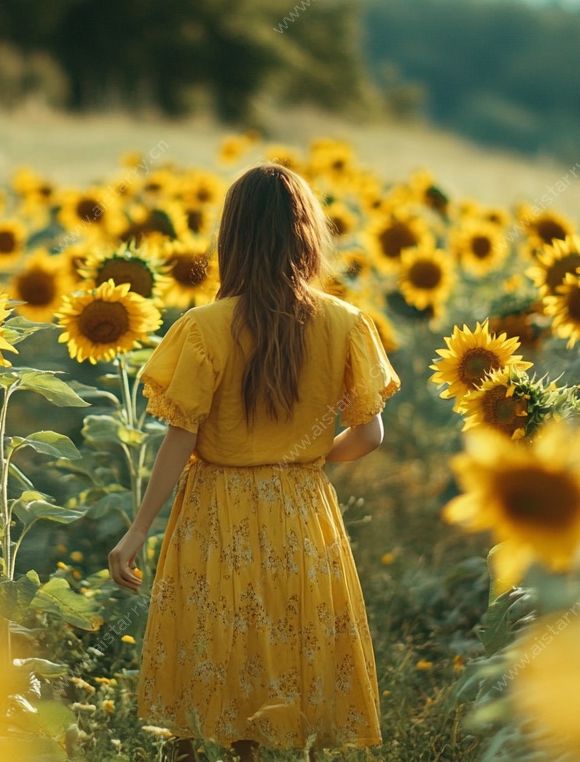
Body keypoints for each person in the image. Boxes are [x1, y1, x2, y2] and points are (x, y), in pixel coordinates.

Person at [108, 163, 400, 762]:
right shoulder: (345, 323)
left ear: (232, 237)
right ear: (308, 236)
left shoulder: (204, 328)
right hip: (302, 508)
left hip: (216, 507)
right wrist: (306, 461)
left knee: (215, 646)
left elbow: (179, 440)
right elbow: (368, 435)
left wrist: (138, 530)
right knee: (292, 643)